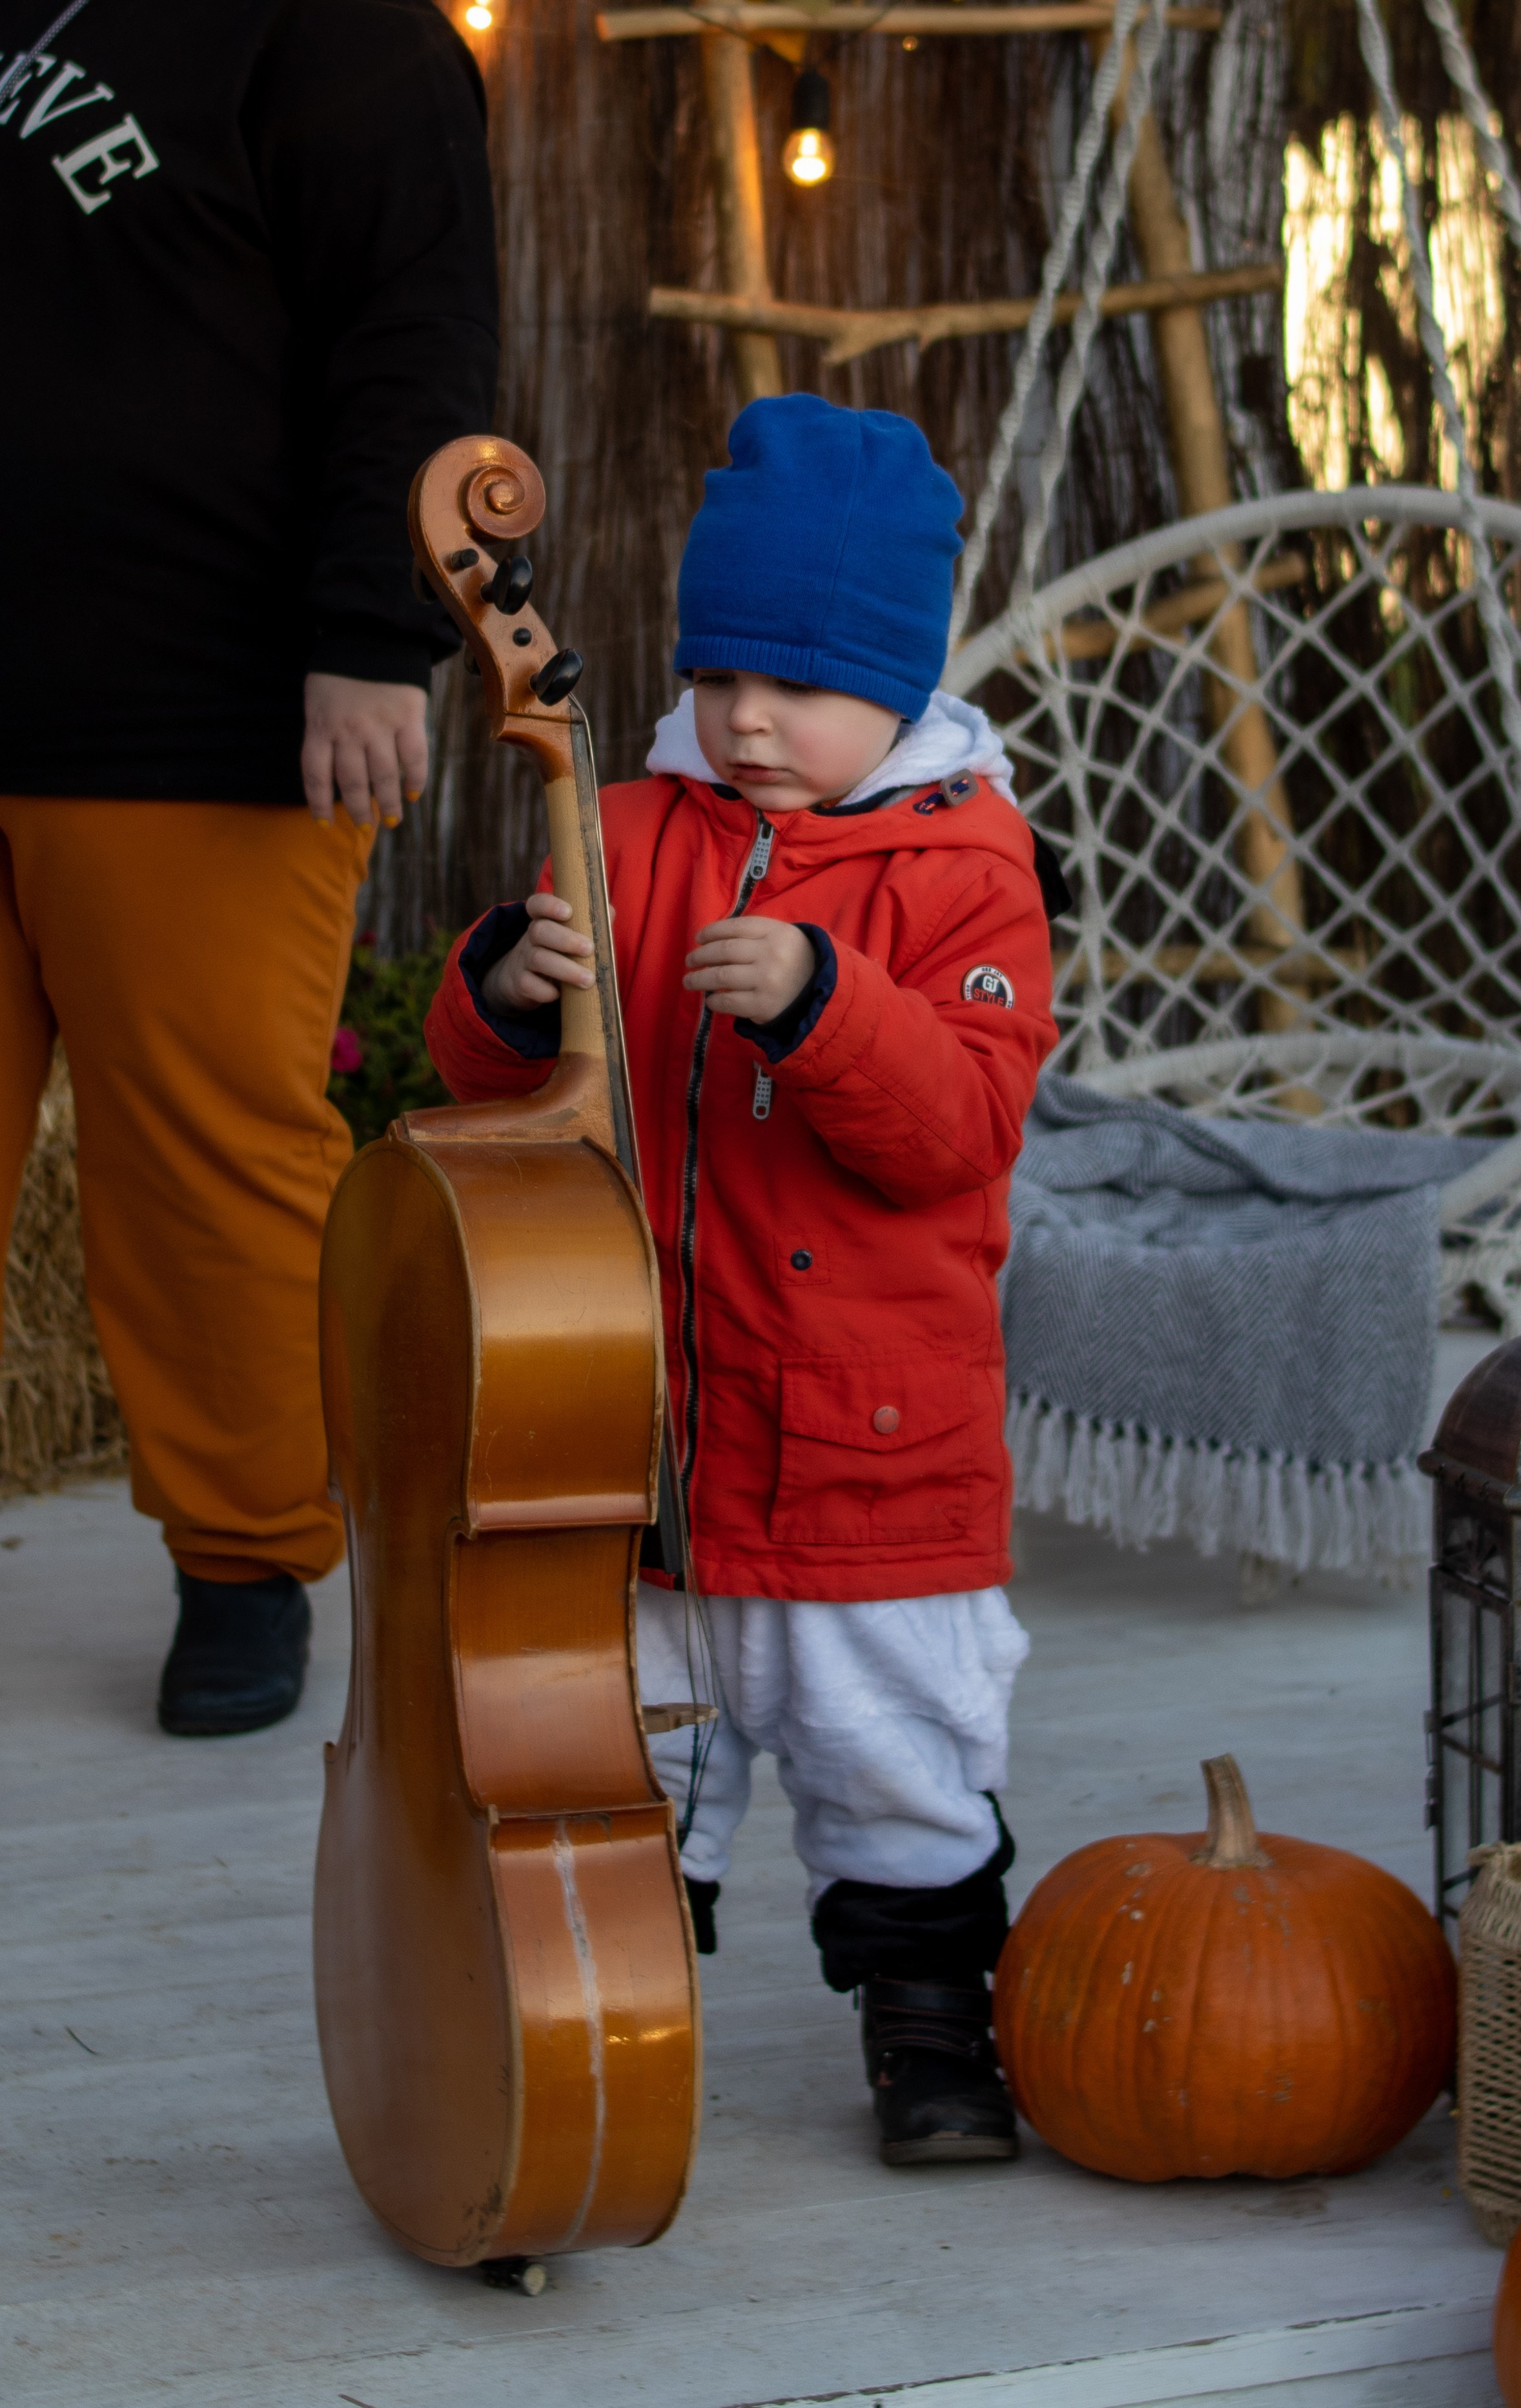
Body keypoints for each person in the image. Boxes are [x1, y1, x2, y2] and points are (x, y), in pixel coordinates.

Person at [424, 395, 1057, 2165]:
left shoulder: (967, 867)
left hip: (870, 1453)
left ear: (900, 684)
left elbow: (961, 1128)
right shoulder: (622, 827)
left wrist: (826, 1004)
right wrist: (506, 985)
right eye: (720, 677)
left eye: (801, 683)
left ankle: (929, 2027)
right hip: (649, 1447)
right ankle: (618, 2036)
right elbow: (502, 1097)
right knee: (628, 1770)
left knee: (898, 1764)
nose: (751, 719)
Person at [0, 0, 498, 1734]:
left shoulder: (346, 32)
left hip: (195, 704)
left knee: (203, 1166)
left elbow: (417, 338)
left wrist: (373, 629)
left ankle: (240, 1559)